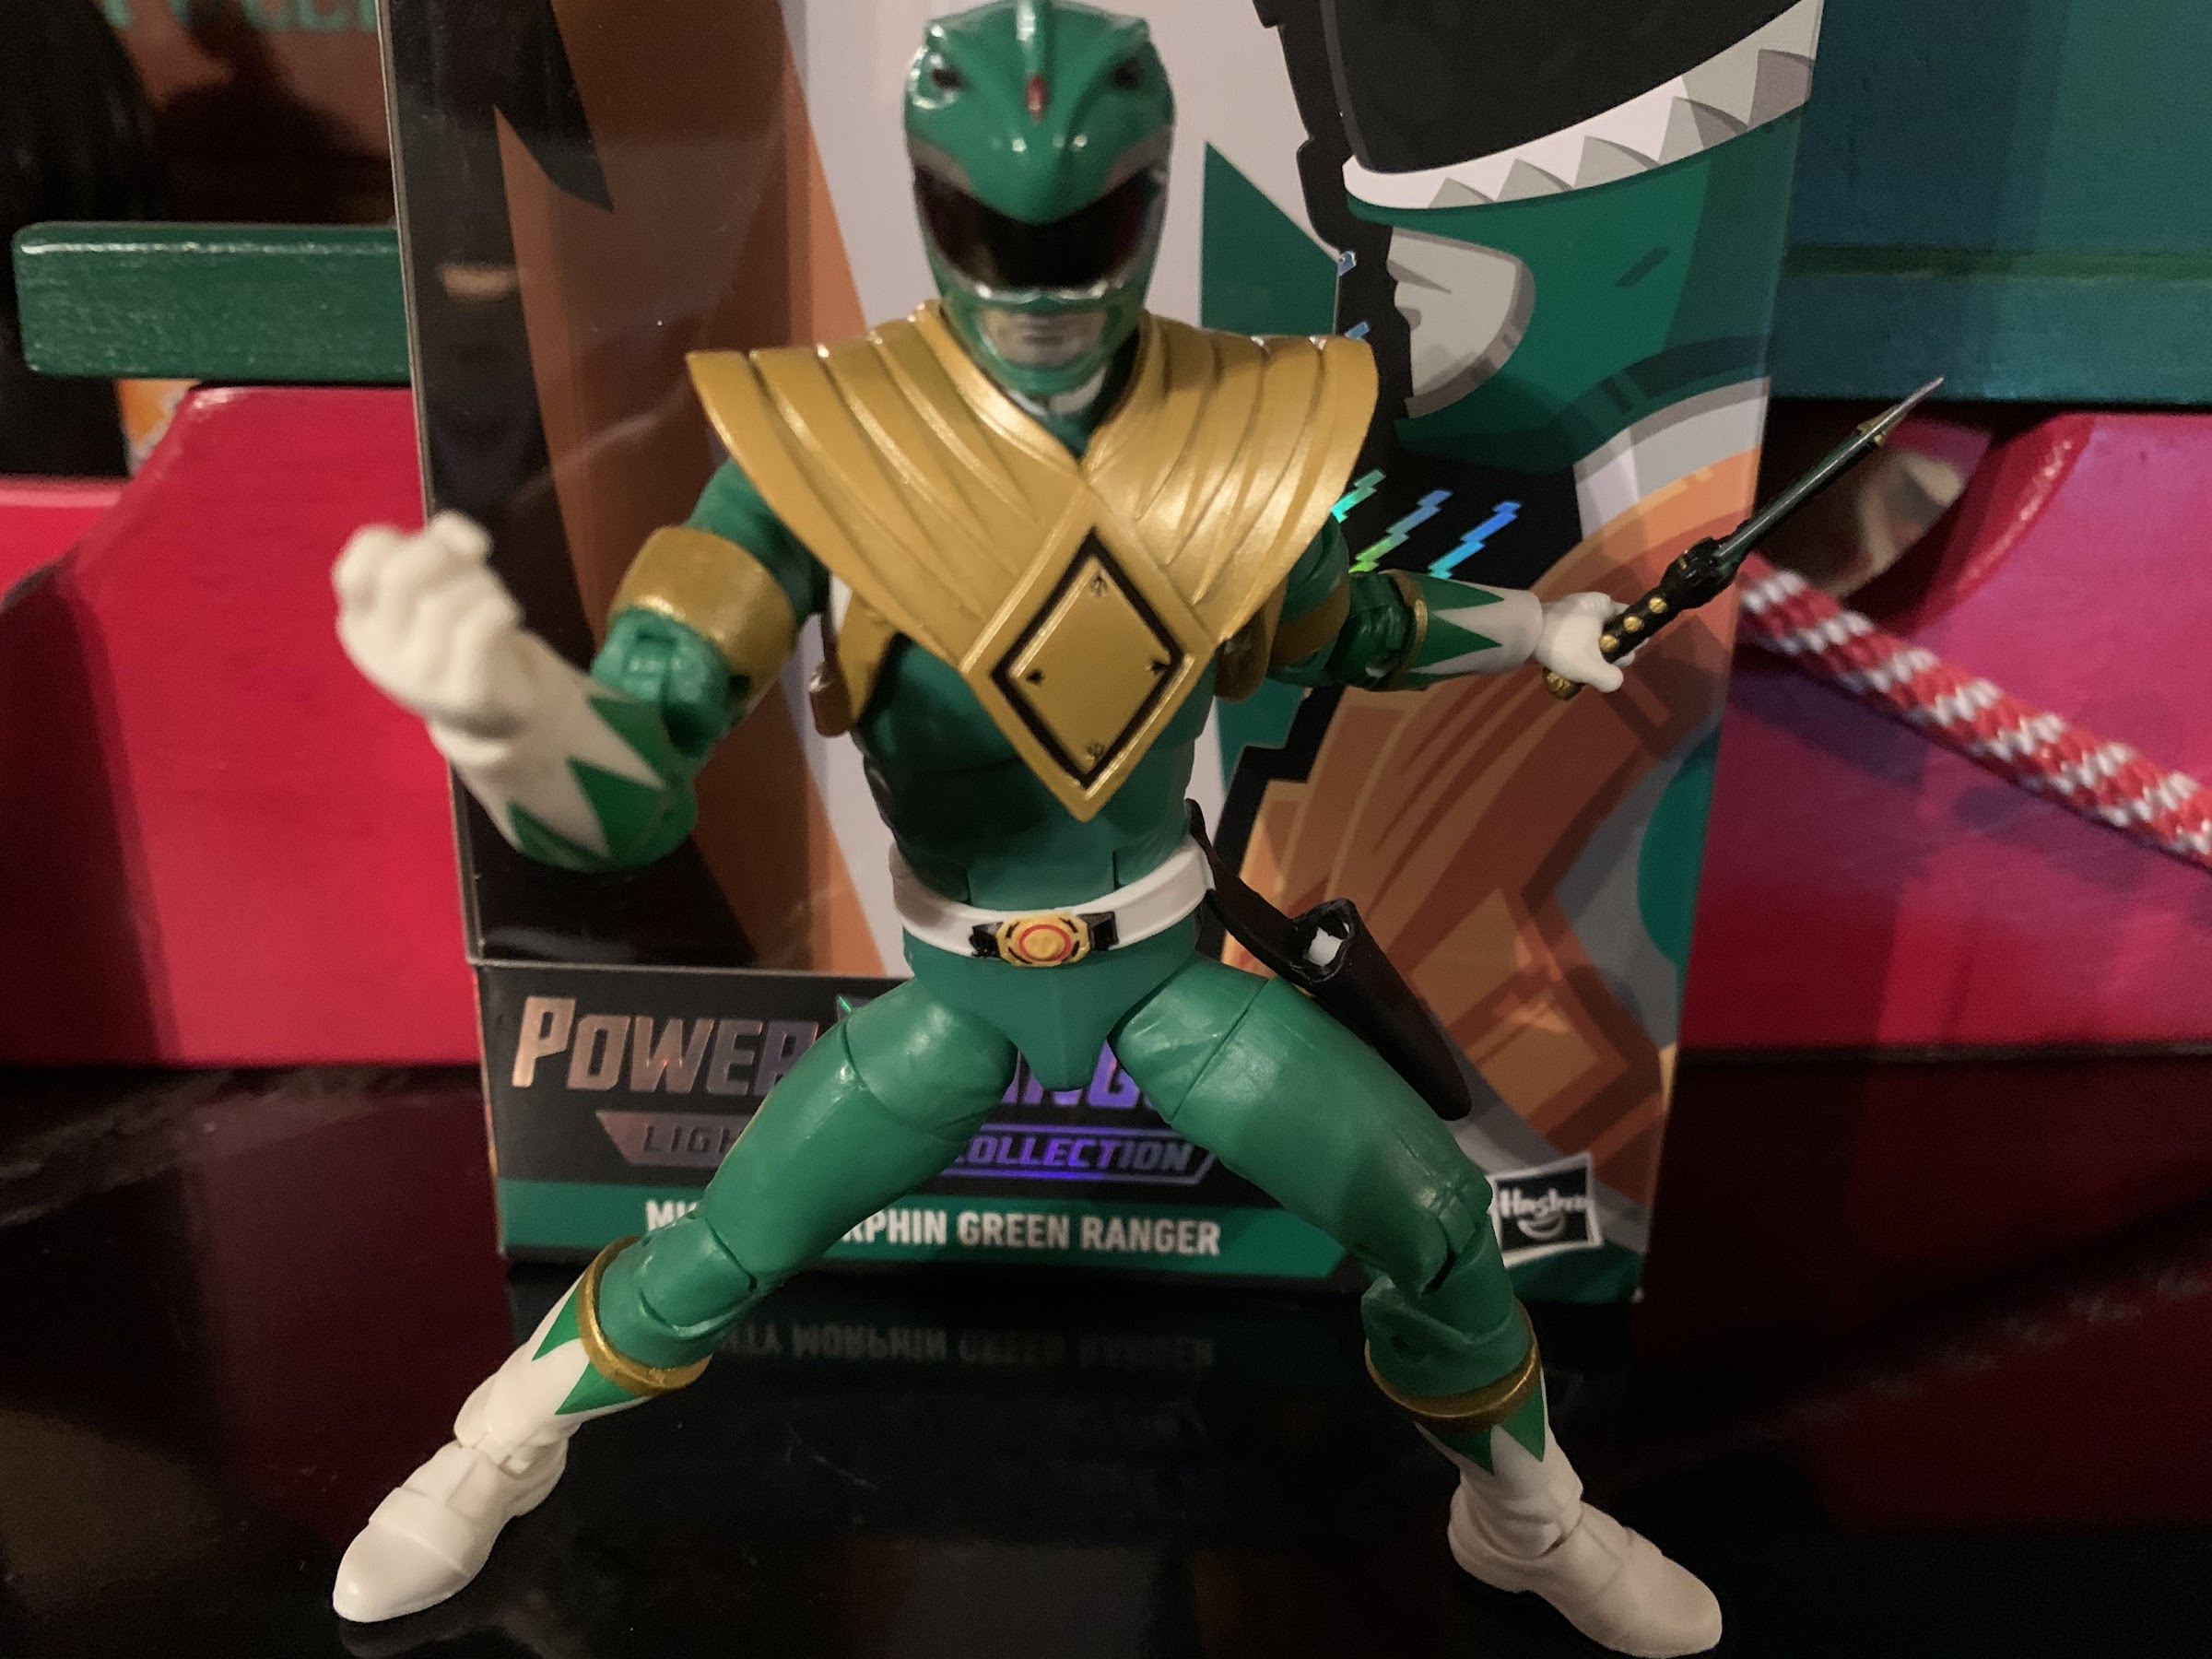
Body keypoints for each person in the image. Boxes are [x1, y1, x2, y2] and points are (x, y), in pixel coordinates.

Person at [329, 5, 1717, 1653]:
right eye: (998, 233)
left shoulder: (1237, 426)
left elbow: (1351, 620)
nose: (1042, 290)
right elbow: (652, 742)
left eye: (1084, 233)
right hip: (957, 990)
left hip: (1164, 966)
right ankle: (493, 1450)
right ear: (935, 203)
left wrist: (1542, 628)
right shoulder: (820, 448)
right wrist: (526, 736)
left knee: (1437, 1218)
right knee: (719, 1252)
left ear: (1145, 201)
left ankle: (1527, 1519)